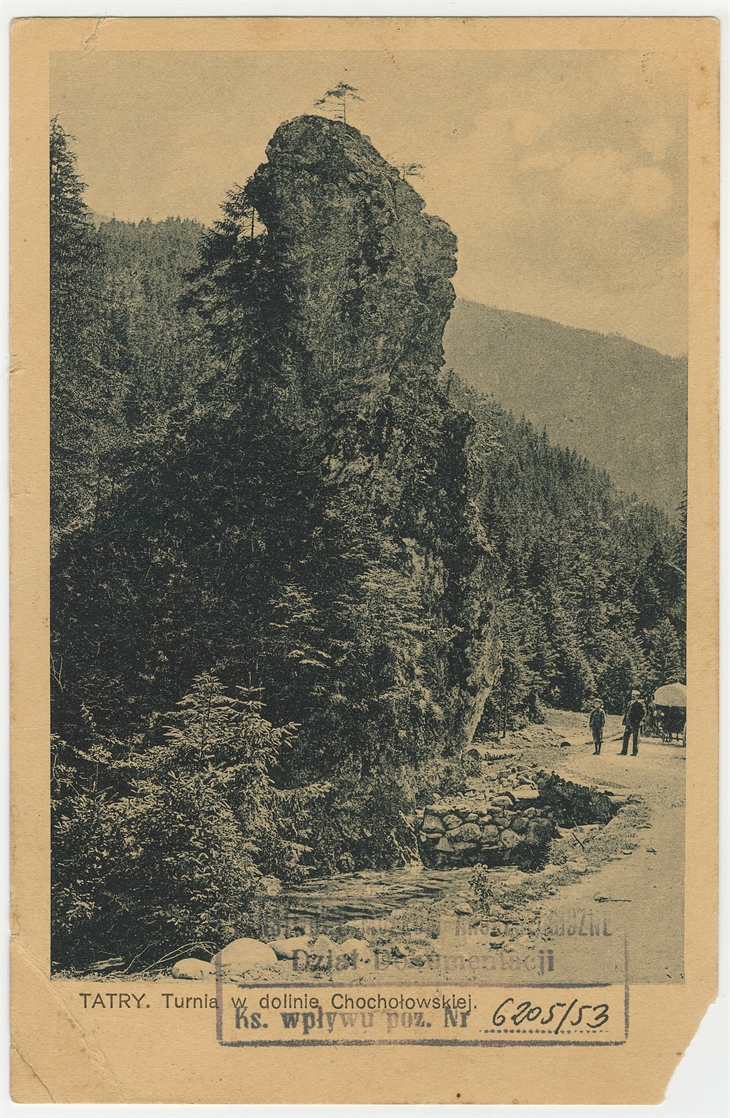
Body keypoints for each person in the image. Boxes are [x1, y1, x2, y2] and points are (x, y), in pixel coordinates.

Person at [620, 690, 646, 756]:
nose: (633, 696)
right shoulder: (630, 703)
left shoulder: (639, 703)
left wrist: (639, 721)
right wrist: (625, 720)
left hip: (635, 723)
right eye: (632, 695)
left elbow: (643, 713)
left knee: (635, 738)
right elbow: (627, 713)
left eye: (634, 695)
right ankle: (624, 751)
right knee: (626, 737)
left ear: (637, 696)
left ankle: (634, 752)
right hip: (628, 723)